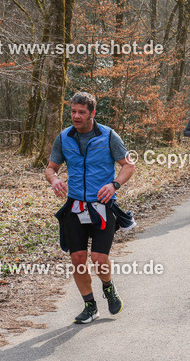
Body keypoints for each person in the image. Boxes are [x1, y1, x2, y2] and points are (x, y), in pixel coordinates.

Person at [46, 91, 135, 324]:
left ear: (92, 113)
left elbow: (128, 165)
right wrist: (54, 179)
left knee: (98, 258)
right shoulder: (64, 137)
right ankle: (90, 306)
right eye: (73, 111)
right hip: (74, 205)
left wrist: (114, 185)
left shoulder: (108, 136)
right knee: (77, 258)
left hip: (102, 207)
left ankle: (108, 287)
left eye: (81, 112)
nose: (76, 116)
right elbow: (50, 168)